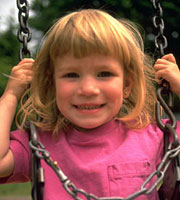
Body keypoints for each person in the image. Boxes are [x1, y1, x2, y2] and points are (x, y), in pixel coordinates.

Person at [0, 9, 180, 200]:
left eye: (104, 74)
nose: (88, 89)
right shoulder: (38, 142)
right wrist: (10, 97)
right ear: (52, 85)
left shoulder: (152, 135)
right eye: (71, 75)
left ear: (126, 85)